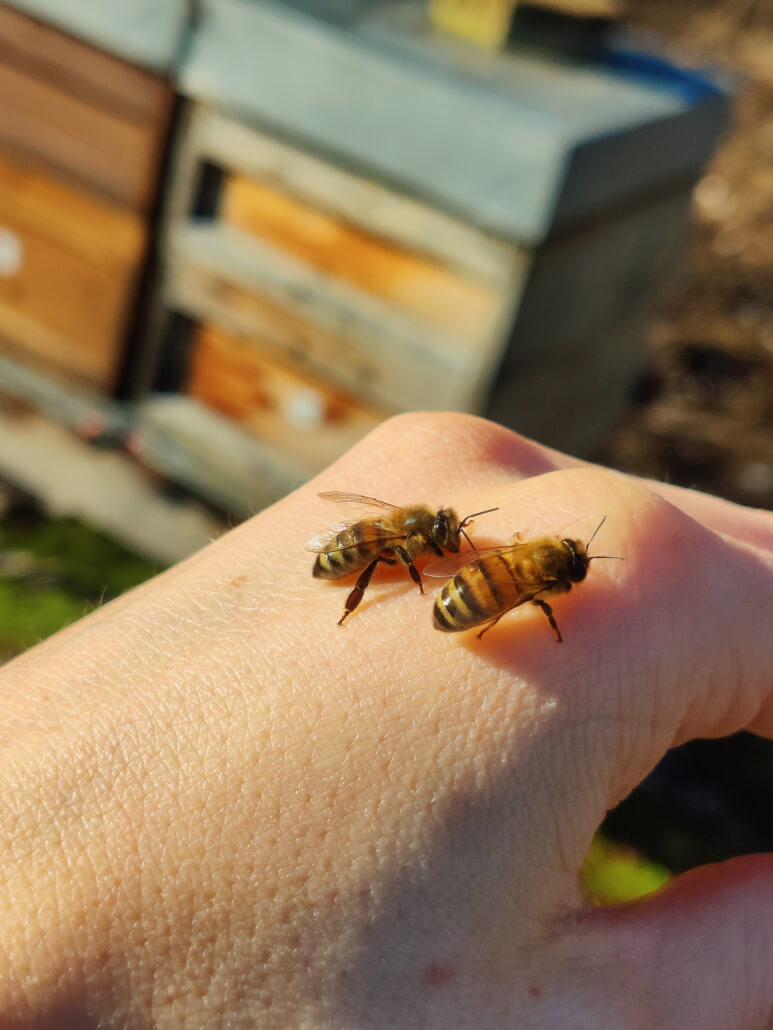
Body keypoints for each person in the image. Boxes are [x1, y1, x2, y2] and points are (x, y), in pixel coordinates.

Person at [0, 412, 770, 1028]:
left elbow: (473, 575)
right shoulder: (450, 556)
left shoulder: (457, 552)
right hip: (390, 576)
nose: (457, 543)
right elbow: (470, 576)